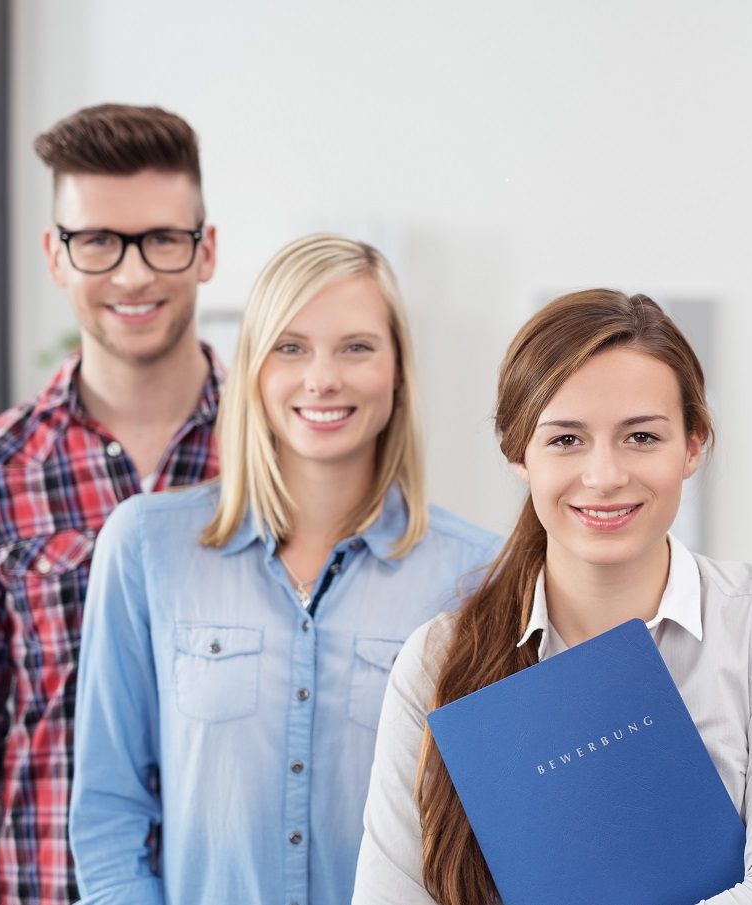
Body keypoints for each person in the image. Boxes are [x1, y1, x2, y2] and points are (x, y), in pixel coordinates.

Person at [351, 289, 752, 904]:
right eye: (566, 440)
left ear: (694, 445)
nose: (606, 476)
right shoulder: (436, 660)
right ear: (519, 453)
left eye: (641, 436)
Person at [66, 234, 499, 905]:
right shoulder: (146, 546)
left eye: (357, 346)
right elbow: (108, 807)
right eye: (290, 347)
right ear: (254, 370)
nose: (322, 378)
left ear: (399, 372)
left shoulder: (477, 573)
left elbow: (487, 833)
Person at [0, 104, 221, 905]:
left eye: (162, 238)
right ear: (56, 254)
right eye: (98, 242)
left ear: (205, 249)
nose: (133, 273)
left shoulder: (283, 455)